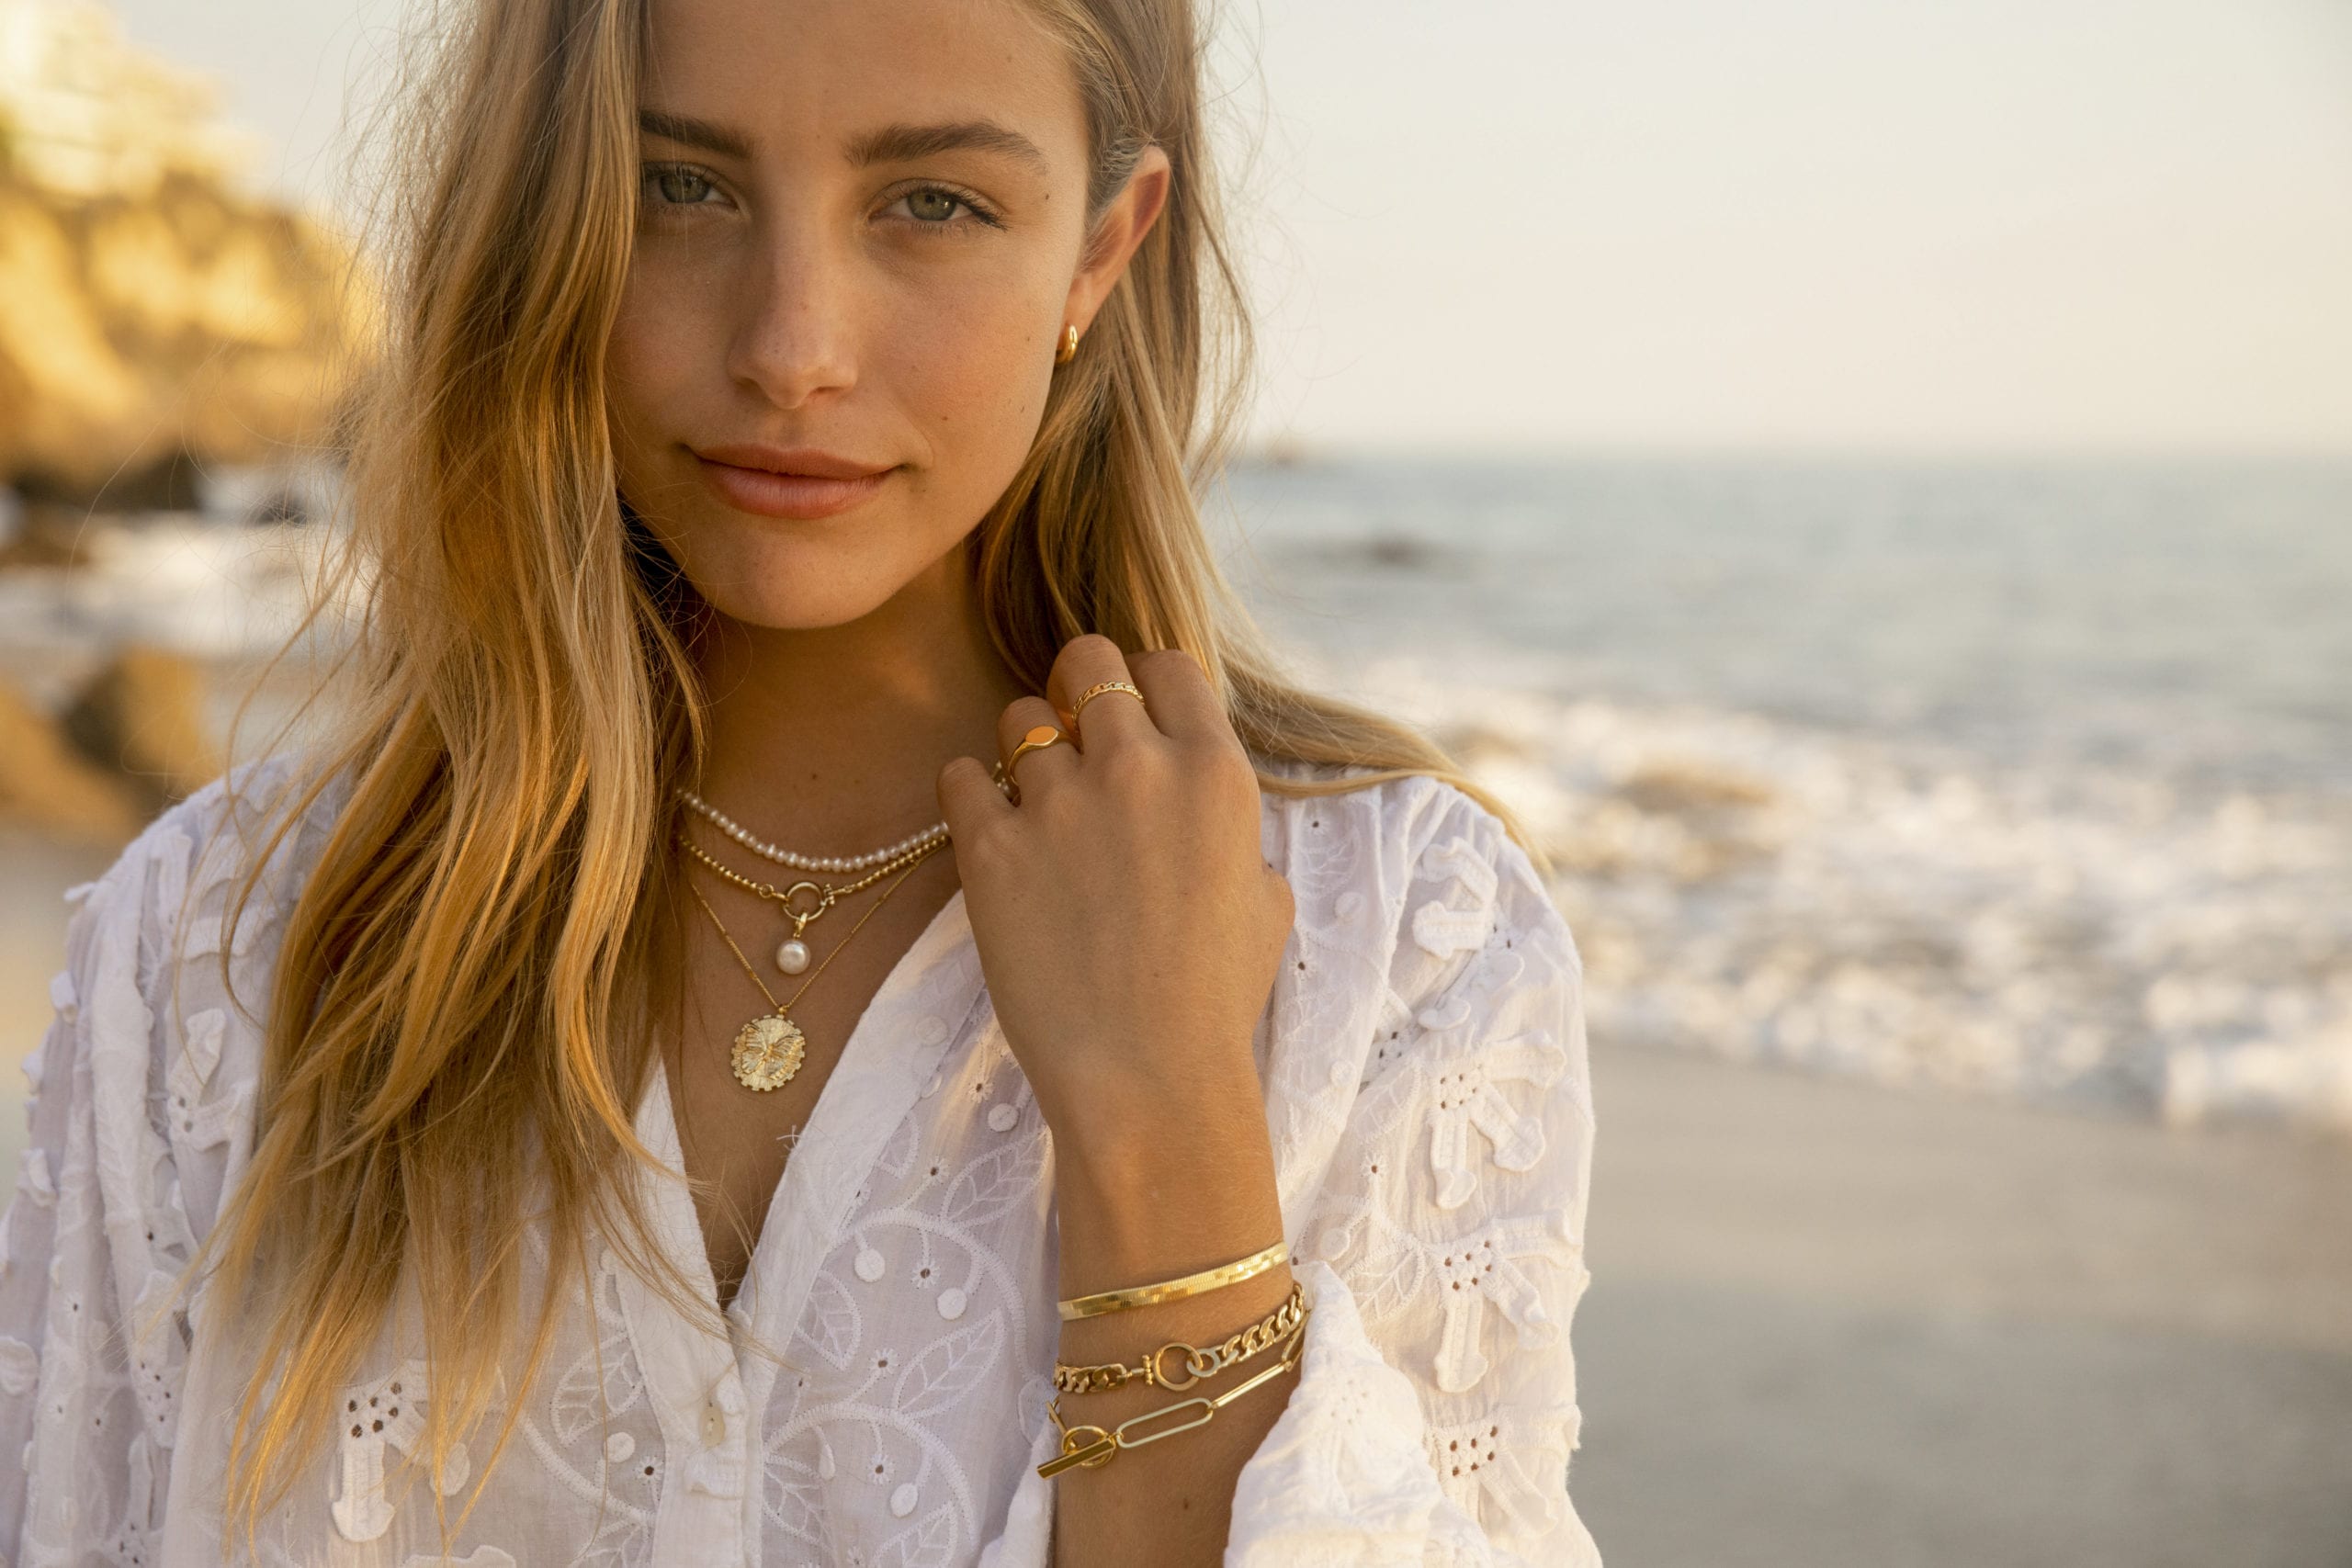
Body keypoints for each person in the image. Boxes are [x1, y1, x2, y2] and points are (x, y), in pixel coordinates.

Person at [0, 0, 1600, 1562]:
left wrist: (1167, 1130)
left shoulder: (1400, 941)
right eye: (680, 186)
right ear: (546, 216)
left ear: (1104, 248)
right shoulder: (215, 947)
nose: (791, 350)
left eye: (932, 203)